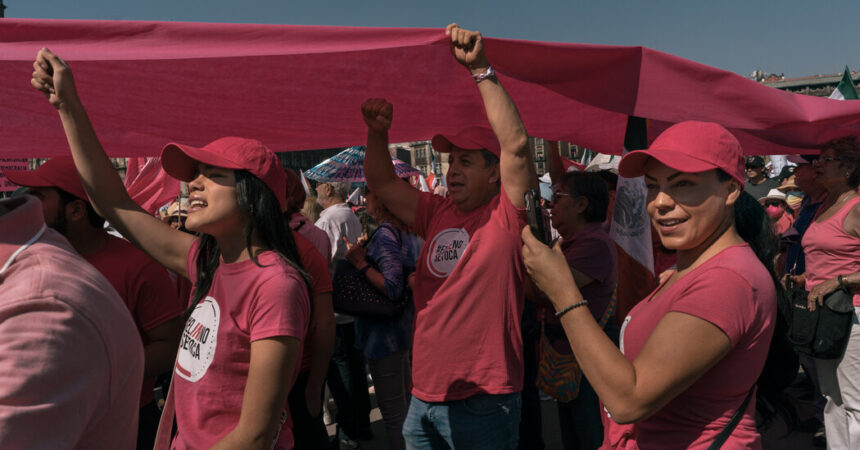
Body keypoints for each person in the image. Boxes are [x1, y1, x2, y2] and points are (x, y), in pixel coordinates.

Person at [31, 48, 311, 449]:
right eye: (195, 175)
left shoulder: (276, 285)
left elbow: (254, 436)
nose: (193, 184)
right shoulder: (207, 262)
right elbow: (115, 203)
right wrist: (68, 106)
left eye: (212, 175)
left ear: (254, 197)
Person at [522, 121, 785, 448]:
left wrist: (562, 291)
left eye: (683, 184)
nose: (659, 202)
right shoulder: (692, 269)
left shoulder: (728, 279)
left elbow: (628, 400)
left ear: (731, 189)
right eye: (652, 186)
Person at [362, 23, 537, 448]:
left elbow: (515, 145)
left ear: (495, 174)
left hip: (484, 400)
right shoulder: (436, 211)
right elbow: (384, 184)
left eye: (465, 162)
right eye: (449, 160)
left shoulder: (507, 216)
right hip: (422, 397)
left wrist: (479, 69)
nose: (451, 170)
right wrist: (377, 133)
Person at [3, 156, 185, 449]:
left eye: (39, 196)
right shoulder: (25, 263)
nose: (26, 203)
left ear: (76, 211)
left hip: (128, 419)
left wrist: (96, 375)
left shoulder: (138, 265)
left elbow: (168, 345)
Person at [0, 194, 144, 448]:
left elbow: (166, 337)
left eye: (39, 193)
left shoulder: (41, 305)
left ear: (77, 210)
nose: (22, 194)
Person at [545, 144, 618, 450]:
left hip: (588, 366)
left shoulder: (595, 244)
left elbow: (550, 290)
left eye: (556, 199)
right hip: (570, 361)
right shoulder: (571, 242)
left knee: (589, 438)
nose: (549, 207)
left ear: (581, 205)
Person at [344, 186, 423, 450]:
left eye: (370, 191)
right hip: (402, 330)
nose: (365, 196)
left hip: (384, 336)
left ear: (384, 200)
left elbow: (392, 286)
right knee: (405, 407)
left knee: (394, 414)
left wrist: (360, 263)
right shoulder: (407, 231)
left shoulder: (386, 235)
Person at [796, 137, 860, 448]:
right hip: (824, 315)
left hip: (852, 314)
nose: (817, 164)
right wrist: (804, 278)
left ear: (849, 168)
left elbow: (839, 271)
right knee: (831, 398)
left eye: (827, 159)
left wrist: (840, 280)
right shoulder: (825, 205)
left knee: (854, 400)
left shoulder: (857, 207)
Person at [315, 180, 373, 444]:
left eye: (317, 186)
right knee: (355, 368)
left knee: (342, 373)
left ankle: (351, 428)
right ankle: (361, 424)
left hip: (336, 309)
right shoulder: (350, 214)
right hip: (351, 308)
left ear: (328, 189)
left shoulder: (328, 220)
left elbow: (319, 262)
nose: (315, 190)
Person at [283, 168, 337, 449]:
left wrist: (315, 386)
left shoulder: (299, 246)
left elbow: (324, 322)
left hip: (299, 363)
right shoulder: (318, 235)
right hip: (303, 361)